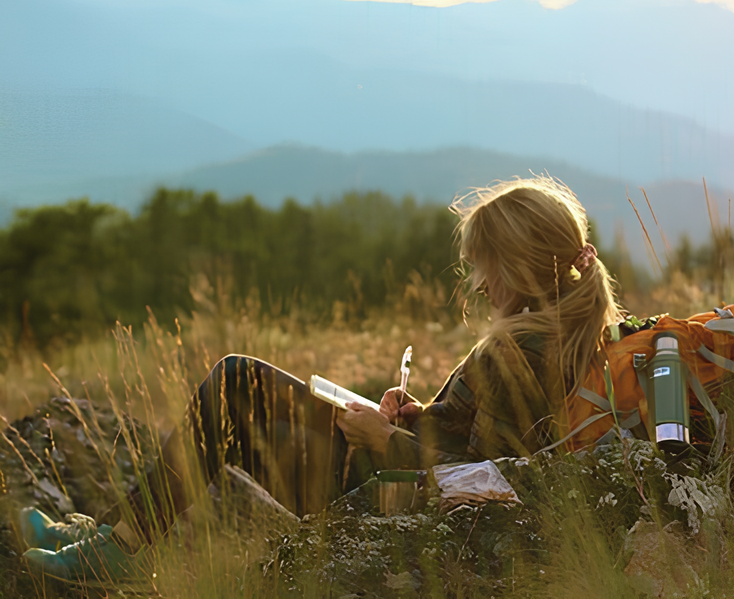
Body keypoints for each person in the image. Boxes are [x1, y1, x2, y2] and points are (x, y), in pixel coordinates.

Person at [21, 177, 625, 582]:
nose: (478, 284)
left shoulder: (522, 350)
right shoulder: (561, 329)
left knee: (237, 386)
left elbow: (486, 485)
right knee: (240, 388)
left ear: (520, 262)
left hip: (398, 502)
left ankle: (115, 544)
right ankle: (109, 532)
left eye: (484, 267)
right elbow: (481, 451)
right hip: (403, 481)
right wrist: (419, 417)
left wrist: (382, 439)